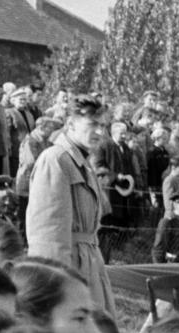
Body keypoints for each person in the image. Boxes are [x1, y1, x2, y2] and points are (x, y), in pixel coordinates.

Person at [26, 94, 116, 314]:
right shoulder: (55, 160)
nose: (99, 132)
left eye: (103, 126)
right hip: (69, 275)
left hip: (89, 268)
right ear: (70, 124)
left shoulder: (81, 163)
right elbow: (48, 236)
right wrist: (56, 291)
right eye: (93, 124)